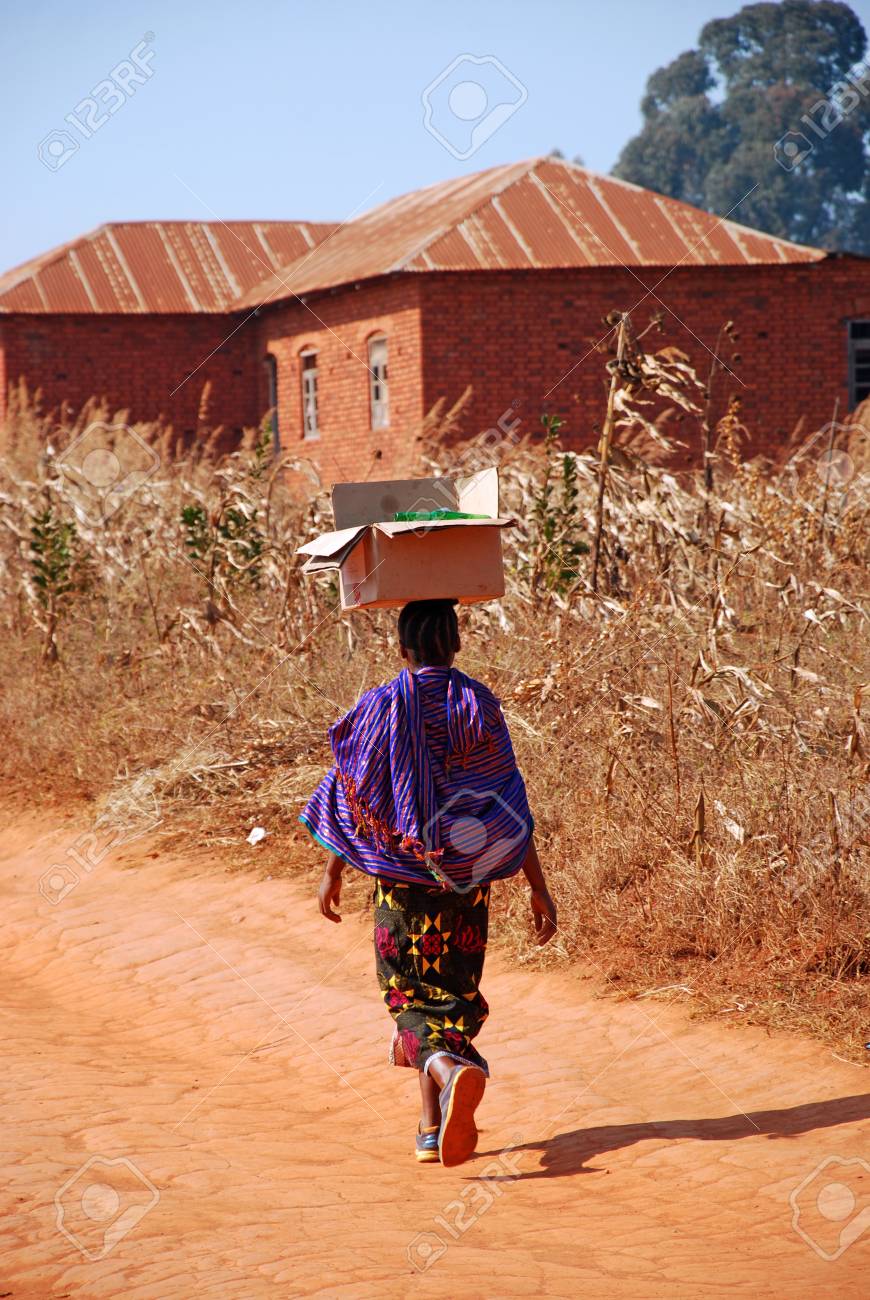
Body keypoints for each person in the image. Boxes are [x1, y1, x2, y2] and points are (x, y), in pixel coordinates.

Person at [301, 598, 557, 1167]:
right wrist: (538, 886)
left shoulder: (380, 707)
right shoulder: (477, 706)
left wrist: (331, 872)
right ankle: (428, 1125)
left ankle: (446, 1069)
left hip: (402, 887)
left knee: (408, 998)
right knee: (454, 998)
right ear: (456, 643)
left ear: (402, 648)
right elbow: (506, 799)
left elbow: (351, 792)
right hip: (467, 886)